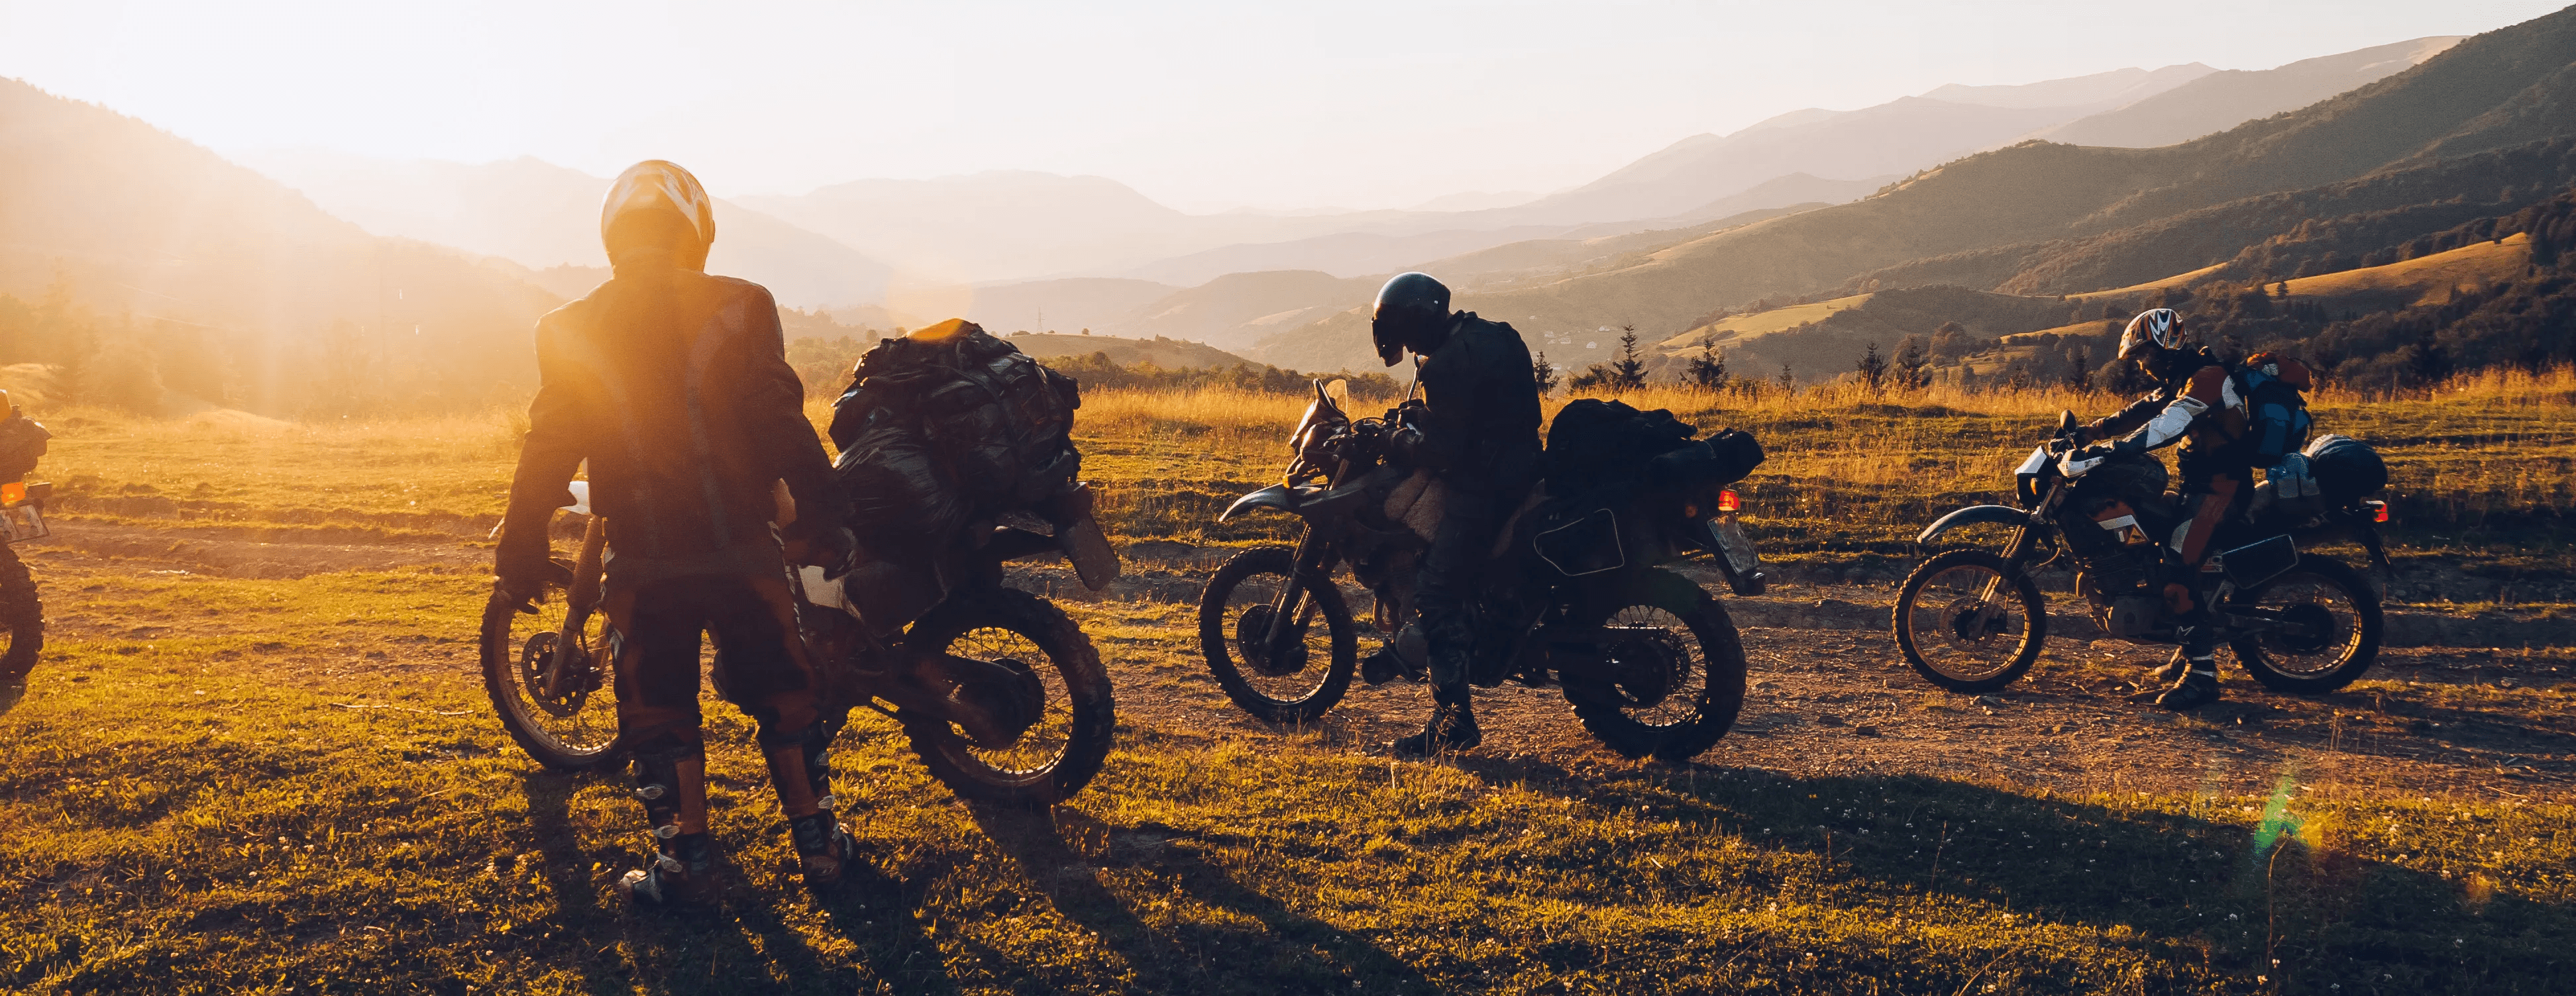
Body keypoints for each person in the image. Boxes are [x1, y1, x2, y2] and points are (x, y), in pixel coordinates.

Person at [493, 160, 859, 907]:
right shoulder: (743, 304)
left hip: (646, 558)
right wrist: (824, 514)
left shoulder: (565, 328)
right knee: (784, 691)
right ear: (697, 232)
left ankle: (685, 862)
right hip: (741, 548)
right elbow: (779, 419)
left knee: (658, 707)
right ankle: (819, 846)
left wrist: (522, 542)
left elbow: (549, 444)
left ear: (612, 234)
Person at [2068, 308, 2308, 710]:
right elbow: (2146, 408)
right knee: (2157, 548)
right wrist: (2095, 430)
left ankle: (2202, 676)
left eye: (2145, 356)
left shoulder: (2209, 379)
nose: (2143, 366)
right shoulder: (2181, 379)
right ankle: (2187, 648)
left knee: (2177, 572)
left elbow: (2167, 424)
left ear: (2166, 347)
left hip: (2222, 493)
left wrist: (2111, 450)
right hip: (2200, 489)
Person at [1367, 272, 1542, 756]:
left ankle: (1453, 724)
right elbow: (1489, 411)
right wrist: (1432, 421)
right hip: (1524, 463)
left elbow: (1442, 453)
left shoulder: (1445, 366)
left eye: (1402, 333)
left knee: (1436, 591)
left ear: (1417, 326)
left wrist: (1398, 441)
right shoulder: (1496, 334)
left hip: (1486, 487)